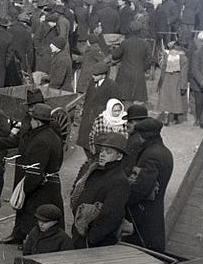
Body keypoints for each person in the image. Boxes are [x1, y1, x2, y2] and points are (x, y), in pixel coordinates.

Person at [0, 103, 64, 246]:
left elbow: (35, 173)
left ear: (37, 122)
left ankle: (32, 242)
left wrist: (25, 188)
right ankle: (24, 237)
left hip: (40, 187)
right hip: (51, 184)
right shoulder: (54, 136)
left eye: (32, 120)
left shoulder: (40, 141)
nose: (31, 122)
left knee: (36, 215)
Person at [69, 132, 131, 249]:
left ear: (119, 156)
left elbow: (111, 216)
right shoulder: (95, 171)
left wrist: (91, 239)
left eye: (108, 152)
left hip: (94, 243)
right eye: (102, 150)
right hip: (80, 232)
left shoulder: (120, 181)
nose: (102, 154)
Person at [123, 118, 173, 253]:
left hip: (143, 210)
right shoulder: (164, 151)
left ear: (144, 136)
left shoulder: (151, 155)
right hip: (153, 208)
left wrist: (124, 201)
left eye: (139, 135)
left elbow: (140, 188)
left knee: (142, 246)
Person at [75, 62, 119, 153]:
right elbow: (88, 97)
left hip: (99, 117)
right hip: (87, 115)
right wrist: (83, 109)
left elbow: (114, 104)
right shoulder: (92, 82)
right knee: (85, 141)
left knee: (96, 142)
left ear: (103, 75)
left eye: (95, 75)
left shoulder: (112, 86)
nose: (93, 76)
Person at [156, 36, 188, 124]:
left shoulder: (168, 55)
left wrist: (160, 81)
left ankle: (166, 117)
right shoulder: (184, 58)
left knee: (166, 98)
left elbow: (163, 68)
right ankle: (175, 118)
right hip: (177, 80)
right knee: (176, 99)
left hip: (166, 78)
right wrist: (183, 86)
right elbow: (184, 74)